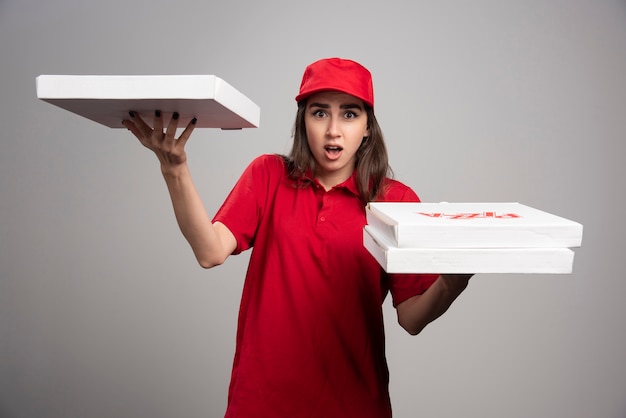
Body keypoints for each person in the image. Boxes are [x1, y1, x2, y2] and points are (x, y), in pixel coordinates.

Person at [122, 58, 472, 418]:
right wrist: (174, 168)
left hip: (354, 405)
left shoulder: (395, 201)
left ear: (368, 127)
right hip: (261, 404)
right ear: (303, 121)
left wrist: (451, 281)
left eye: (349, 114)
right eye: (320, 113)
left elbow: (411, 319)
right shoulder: (268, 176)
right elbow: (210, 251)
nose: (333, 130)